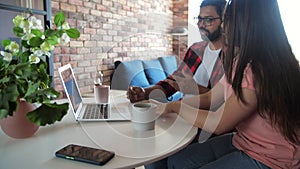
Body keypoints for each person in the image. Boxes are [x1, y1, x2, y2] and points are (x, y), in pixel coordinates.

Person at [153, 0, 300, 168]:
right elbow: (210, 97)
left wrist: (174, 108)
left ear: (245, 24)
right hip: (244, 140)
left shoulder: (259, 69)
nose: (224, 26)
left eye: (226, 19)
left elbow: (219, 123)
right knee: (177, 161)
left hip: (271, 156)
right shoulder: (239, 61)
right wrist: (169, 104)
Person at [128, 0, 227, 103]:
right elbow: (173, 82)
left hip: (207, 117)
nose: (201, 24)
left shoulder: (233, 56)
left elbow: (225, 99)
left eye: (208, 19)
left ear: (224, 22)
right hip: (181, 110)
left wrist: (194, 89)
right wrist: (145, 92)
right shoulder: (195, 50)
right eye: (199, 19)